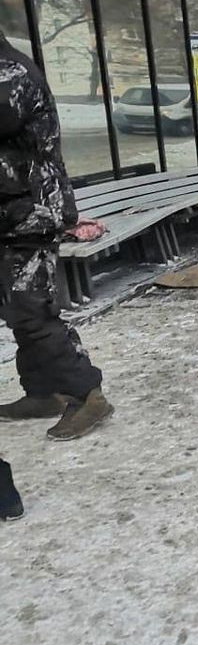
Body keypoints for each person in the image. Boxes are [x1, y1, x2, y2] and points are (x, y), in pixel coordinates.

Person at [0, 28, 113, 440]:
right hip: (10, 213)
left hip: (30, 213)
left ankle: (87, 394)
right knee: (17, 310)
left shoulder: (11, 73)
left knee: (33, 310)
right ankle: (44, 391)